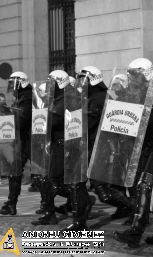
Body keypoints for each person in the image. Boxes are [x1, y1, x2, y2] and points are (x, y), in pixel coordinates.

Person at [112, 58, 153, 248]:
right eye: (130, 74)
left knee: (144, 185)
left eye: (135, 75)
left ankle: (136, 230)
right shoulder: (138, 93)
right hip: (144, 146)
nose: (131, 78)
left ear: (145, 74)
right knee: (152, 189)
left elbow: (149, 124)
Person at [62, 66, 105, 231]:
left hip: (92, 146)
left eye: (83, 78)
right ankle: (79, 220)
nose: (80, 82)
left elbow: (90, 122)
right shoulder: (87, 96)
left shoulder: (99, 97)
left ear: (93, 78)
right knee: (76, 184)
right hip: (83, 145)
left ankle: (80, 220)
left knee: (86, 185)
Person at [31, 70, 70, 225]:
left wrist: (42, 115)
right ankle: (49, 213)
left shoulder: (65, 99)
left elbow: (55, 121)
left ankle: (84, 200)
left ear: (59, 83)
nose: (49, 87)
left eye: (51, 83)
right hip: (53, 144)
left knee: (54, 181)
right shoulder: (56, 99)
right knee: (45, 179)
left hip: (63, 145)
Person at [0, 71, 32, 215]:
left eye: (14, 83)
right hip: (22, 140)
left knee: (41, 178)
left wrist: (8, 112)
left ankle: (75, 201)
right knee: (14, 172)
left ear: (21, 82)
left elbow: (23, 120)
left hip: (29, 140)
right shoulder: (21, 96)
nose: (12, 86)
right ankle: (11, 204)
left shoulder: (27, 97)